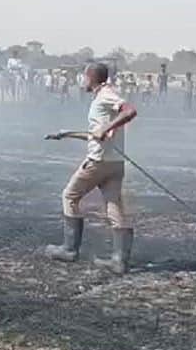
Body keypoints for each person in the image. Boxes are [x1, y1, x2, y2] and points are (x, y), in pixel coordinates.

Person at [43, 62, 139, 275]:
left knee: (69, 196)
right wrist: (67, 134)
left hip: (98, 162)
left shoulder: (106, 95)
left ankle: (69, 249)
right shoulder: (101, 98)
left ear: (92, 77)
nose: (82, 81)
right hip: (114, 163)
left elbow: (130, 111)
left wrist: (106, 127)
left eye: (84, 77)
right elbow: (97, 134)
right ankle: (119, 261)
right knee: (114, 207)